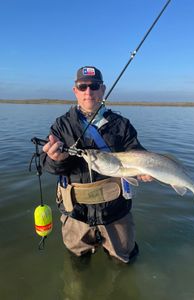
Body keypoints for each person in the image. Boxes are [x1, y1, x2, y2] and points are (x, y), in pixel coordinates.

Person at [41, 66, 152, 263]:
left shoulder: (122, 124)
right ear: (75, 90)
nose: (88, 92)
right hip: (76, 213)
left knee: (123, 261)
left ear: (103, 89)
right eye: (82, 87)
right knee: (77, 264)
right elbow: (48, 166)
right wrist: (54, 159)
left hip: (116, 211)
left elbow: (137, 151)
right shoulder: (61, 125)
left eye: (94, 86)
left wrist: (146, 169)